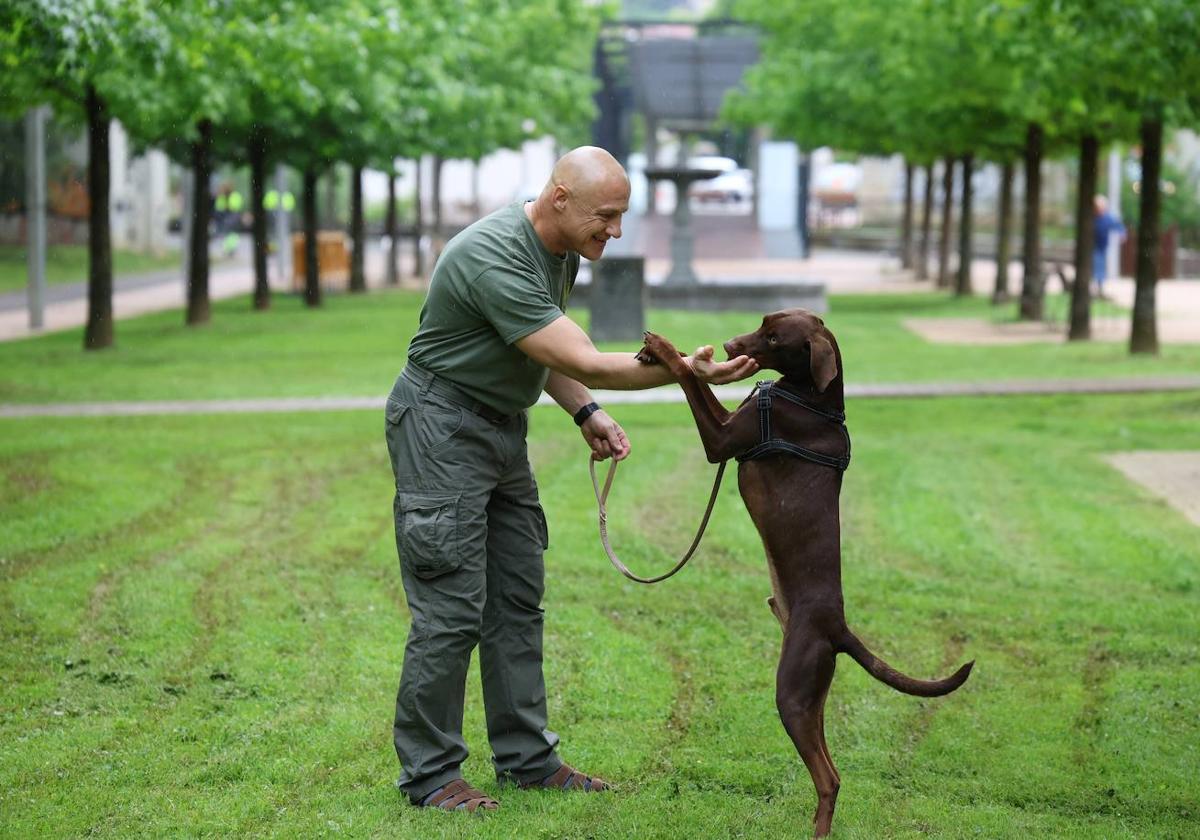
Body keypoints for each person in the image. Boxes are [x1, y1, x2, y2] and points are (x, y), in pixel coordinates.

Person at [383, 146, 757, 813]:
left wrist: (585, 408)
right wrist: (686, 372)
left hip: (499, 426)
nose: (614, 231)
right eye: (607, 216)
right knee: (451, 609)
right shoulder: (492, 253)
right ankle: (431, 775)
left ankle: (527, 761)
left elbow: (536, 351)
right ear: (561, 198)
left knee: (517, 598)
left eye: (621, 217)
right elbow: (582, 354)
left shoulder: (558, 251)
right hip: (442, 427)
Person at [1093, 195, 1126, 298]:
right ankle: (1097, 287)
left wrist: (1122, 233)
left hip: (1101, 247)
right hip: (1093, 247)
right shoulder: (1093, 218)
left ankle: (1099, 287)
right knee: (1096, 266)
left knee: (1100, 266)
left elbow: (1118, 225)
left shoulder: (1106, 218)